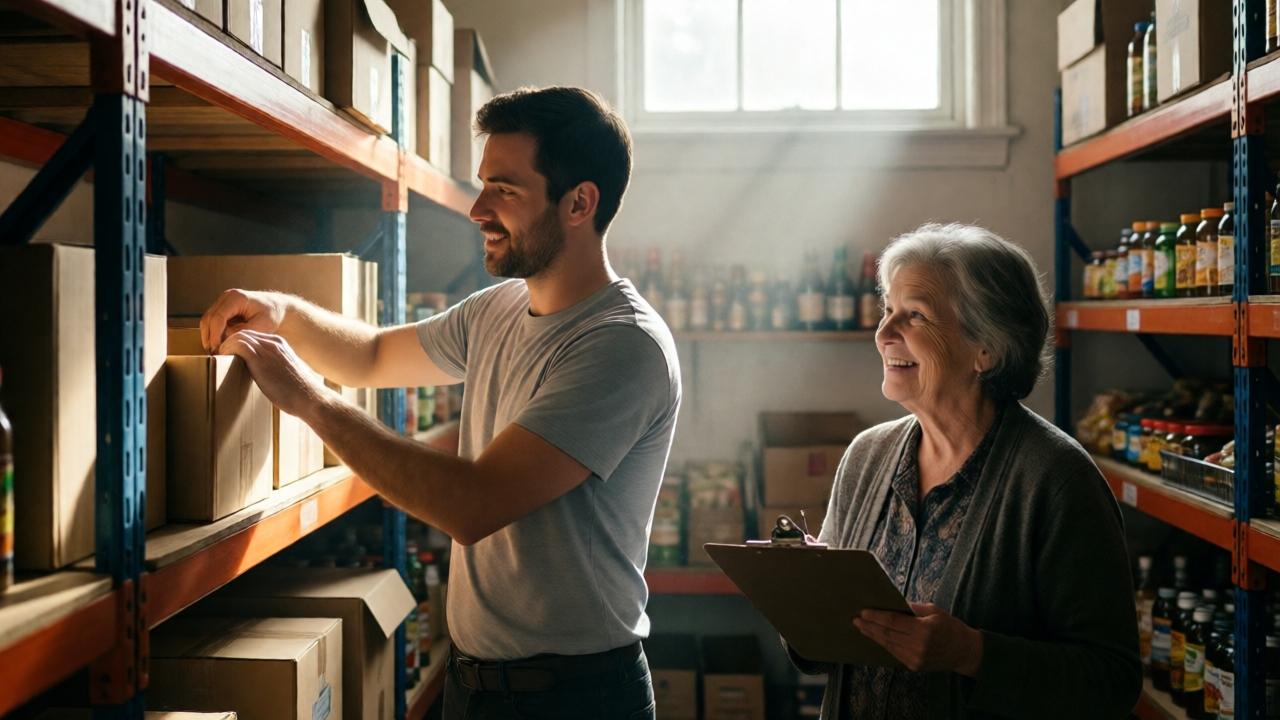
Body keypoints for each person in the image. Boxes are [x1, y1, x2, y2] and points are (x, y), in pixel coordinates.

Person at [200, 86, 680, 719]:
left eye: (504, 190)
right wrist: (282, 311)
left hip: (574, 697)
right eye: (481, 185)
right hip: (473, 685)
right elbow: (371, 355)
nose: (477, 209)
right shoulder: (500, 309)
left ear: (578, 203)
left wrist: (310, 402)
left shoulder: (620, 346)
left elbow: (472, 503)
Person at [789, 223, 1141, 719]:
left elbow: (1112, 681)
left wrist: (971, 653)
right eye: (888, 309)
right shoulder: (866, 457)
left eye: (915, 316)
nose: (884, 332)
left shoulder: (1057, 480)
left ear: (987, 348)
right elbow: (824, 641)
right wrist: (800, 605)